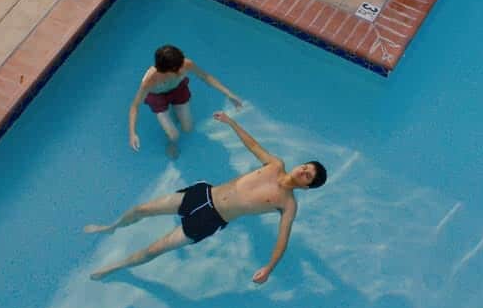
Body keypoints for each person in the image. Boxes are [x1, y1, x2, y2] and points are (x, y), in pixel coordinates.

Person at [86, 111, 327, 283]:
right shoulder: (276, 164)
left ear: (306, 187)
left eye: (308, 176)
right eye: (306, 167)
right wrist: (231, 122)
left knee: (154, 250)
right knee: (141, 209)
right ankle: (112, 227)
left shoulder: (287, 204)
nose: (303, 171)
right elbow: (253, 146)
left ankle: (116, 267)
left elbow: (282, 240)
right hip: (202, 194)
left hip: (209, 220)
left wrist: (269, 268)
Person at [129, 44, 243, 158]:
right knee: (174, 135)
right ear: (165, 71)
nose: (182, 70)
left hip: (178, 90)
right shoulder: (150, 81)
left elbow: (206, 77)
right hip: (158, 96)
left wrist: (229, 94)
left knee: (188, 128)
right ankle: (171, 144)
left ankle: (175, 112)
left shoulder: (184, 63)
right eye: (177, 69)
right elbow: (135, 106)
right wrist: (132, 133)